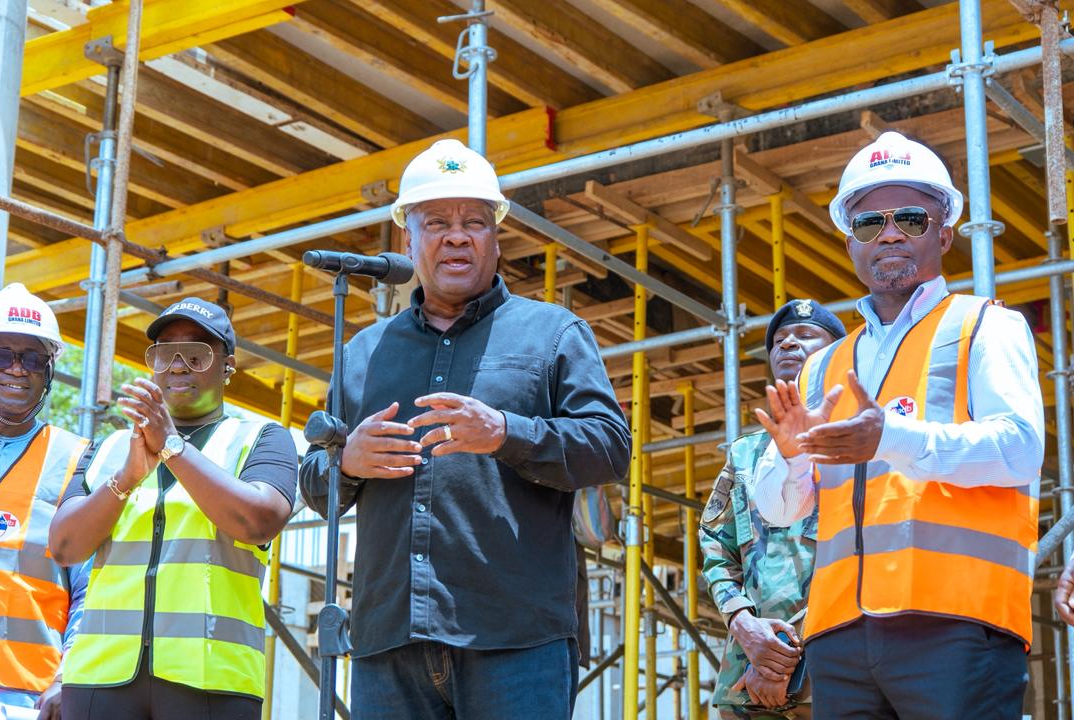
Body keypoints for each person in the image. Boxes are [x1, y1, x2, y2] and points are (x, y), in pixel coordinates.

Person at [299, 138, 631, 720]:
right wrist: (345, 462)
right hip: (389, 642)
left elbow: (609, 447)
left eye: (473, 222)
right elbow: (313, 483)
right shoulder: (364, 353)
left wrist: (505, 432)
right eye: (436, 223)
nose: (456, 236)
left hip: (517, 641)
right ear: (408, 239)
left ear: (495, 237)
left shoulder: (552, 334)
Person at [751, 131, 1044, 719]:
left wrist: (891, 438)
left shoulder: (986, 327)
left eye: (910, 218)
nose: (889, 234)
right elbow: (779, 511)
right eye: (869, 223)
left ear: (944, 233)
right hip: (841, 634)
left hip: (958, 622)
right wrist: (791, 457)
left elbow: (1020, 450)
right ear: (851, 243)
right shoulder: (822, 367)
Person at [49, 297, 298, 720]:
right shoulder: (110, 448)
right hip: (99, 679)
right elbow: (65, 546)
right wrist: (126, 477)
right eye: (165, 354)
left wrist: (172, 446)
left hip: (212, 681)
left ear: (228, 367)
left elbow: (259, 521)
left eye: (196, 355)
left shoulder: (262, 439)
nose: (178, 366)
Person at [701, 299, 845, 720]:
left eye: (806, 336)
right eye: (779, 340)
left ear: (838, 353)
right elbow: (716, 548)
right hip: (747, 677)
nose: (788, 344)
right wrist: (743, 625)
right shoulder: (745, 454)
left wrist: (779, 657)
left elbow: (865, 558)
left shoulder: (858, 442)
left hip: (830, 667)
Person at [0, 283, 91, 720]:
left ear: (49, 370)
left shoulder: (78, 461)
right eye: (1, 355)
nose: (16, 369)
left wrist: (69, 676)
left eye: (32, 358)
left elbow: (93, 589)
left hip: (28, 700)